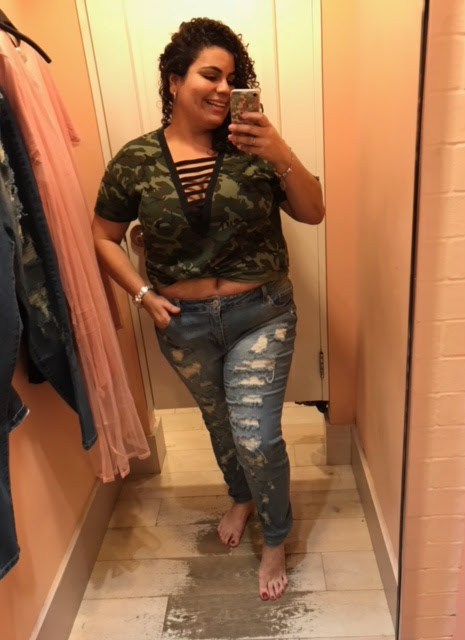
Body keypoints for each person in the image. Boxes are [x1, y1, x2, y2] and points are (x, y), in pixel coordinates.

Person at [92, 17, 324, 601]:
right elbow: (102, 236)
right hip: (183, 323)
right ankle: (241, 497)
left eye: (232, 78)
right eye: (210, 75)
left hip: (260, 314)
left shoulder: (255, 148)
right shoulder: (135, 160)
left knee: (257, 437)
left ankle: (276, 538)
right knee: (221, 426)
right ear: (174, 81)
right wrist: (142, 294)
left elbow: (314, 211)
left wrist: (280, 151)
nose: (223, 89)